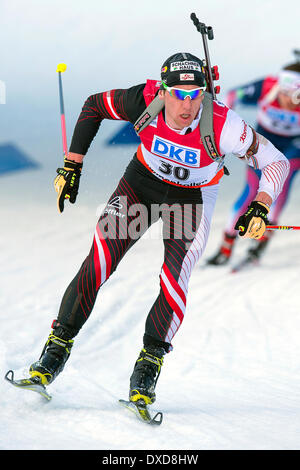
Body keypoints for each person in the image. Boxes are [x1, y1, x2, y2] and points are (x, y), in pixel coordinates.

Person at [28, 52, 289, 407]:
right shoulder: (143, 98)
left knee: (174, 277)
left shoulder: (224, 124)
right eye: (179, 94)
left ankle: (149, 365)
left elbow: (276, 160)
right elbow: (93, 106)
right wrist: (71, 166)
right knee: (100, 260)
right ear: (162, 90)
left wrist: (260, 203)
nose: (188, 104)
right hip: (140, 186)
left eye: (196, 94)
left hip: (190, 199)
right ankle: (55, 351)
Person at [207, 60, 300, 266]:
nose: (288, 101)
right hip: (264, 145)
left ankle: (262, 240)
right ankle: (227, 244)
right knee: (251, 192)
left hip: (293, 147)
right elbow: (232, 96)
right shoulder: (267, 86)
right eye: (283, 93)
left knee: (279, 189)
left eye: (295, 97)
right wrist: (222, 125)